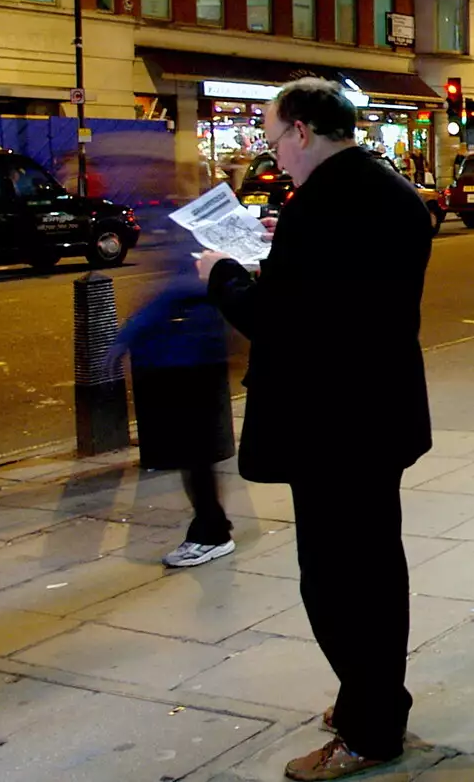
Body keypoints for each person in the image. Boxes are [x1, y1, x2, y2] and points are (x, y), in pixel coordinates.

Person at [197, 78, 433, 782]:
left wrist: (222, 276)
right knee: (374, 569)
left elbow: (284, 323)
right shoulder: (386, 190)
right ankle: (372, 698)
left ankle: (368, 730)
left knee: (336, 581)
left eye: (273, 142)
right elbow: (344, 294)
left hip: (332, 424)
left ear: (301, 131)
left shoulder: (324, 205)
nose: (275, 158)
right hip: (377, 416)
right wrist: (285, 248)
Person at [107, 239, 236, 568]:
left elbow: (179, 291)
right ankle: (212, 527)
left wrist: (126, 336)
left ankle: (212, 532)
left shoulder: (190, 247)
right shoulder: (183, 237)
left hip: (191, 363)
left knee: (195, 456)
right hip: (190, 360)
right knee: (195, 456)